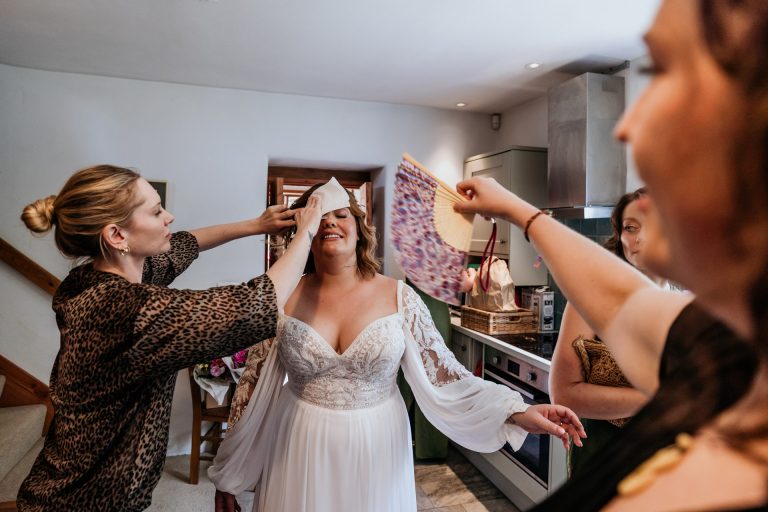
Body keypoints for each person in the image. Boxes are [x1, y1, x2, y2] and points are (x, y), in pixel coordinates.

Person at [454, 0, 768, 509]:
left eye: (669, 73)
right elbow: (623, 302)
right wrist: (520, 211)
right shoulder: (728, 340)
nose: (628, 126)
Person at [209, 178, 586, 512]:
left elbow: (446, 374)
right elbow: (252, 385)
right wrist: (229, 472)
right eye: (318, 215)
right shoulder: (281, 296)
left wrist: (516, 412)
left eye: (341, 214)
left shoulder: (399, 297)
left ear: (359, 228)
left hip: (378, 444)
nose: (329, 222)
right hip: (300, 440)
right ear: (302, 232)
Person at [15, 164, 322, 511]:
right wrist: (306, 232)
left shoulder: (99, 277)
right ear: (117, 235)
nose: (169, 217)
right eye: (156, 211)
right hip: (79, 502)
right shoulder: (123, 309)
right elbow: (254, 306)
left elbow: (186, 245)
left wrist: (257, 225)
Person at [549, 188, 661, 476]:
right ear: (620, 236)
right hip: (605, 455)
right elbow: (563, 394)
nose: (641, 239)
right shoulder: (591, 299)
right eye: (631, 228)